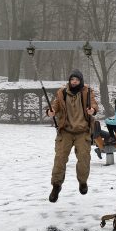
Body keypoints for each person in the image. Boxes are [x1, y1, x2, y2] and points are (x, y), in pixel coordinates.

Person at [45, 69, 98, 203]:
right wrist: (50, 111)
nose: (74, 82)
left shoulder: (87, 92)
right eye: (72, 79)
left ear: (81, 81)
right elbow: (55, 105)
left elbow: (94, 104)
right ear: (69, 81)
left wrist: (93, 110)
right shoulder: (62, 92)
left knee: (84, 159)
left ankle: (83, 182)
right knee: (60, 159)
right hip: (66, 131)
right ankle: (56, 186)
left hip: (82, 131)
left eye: (77, 80)